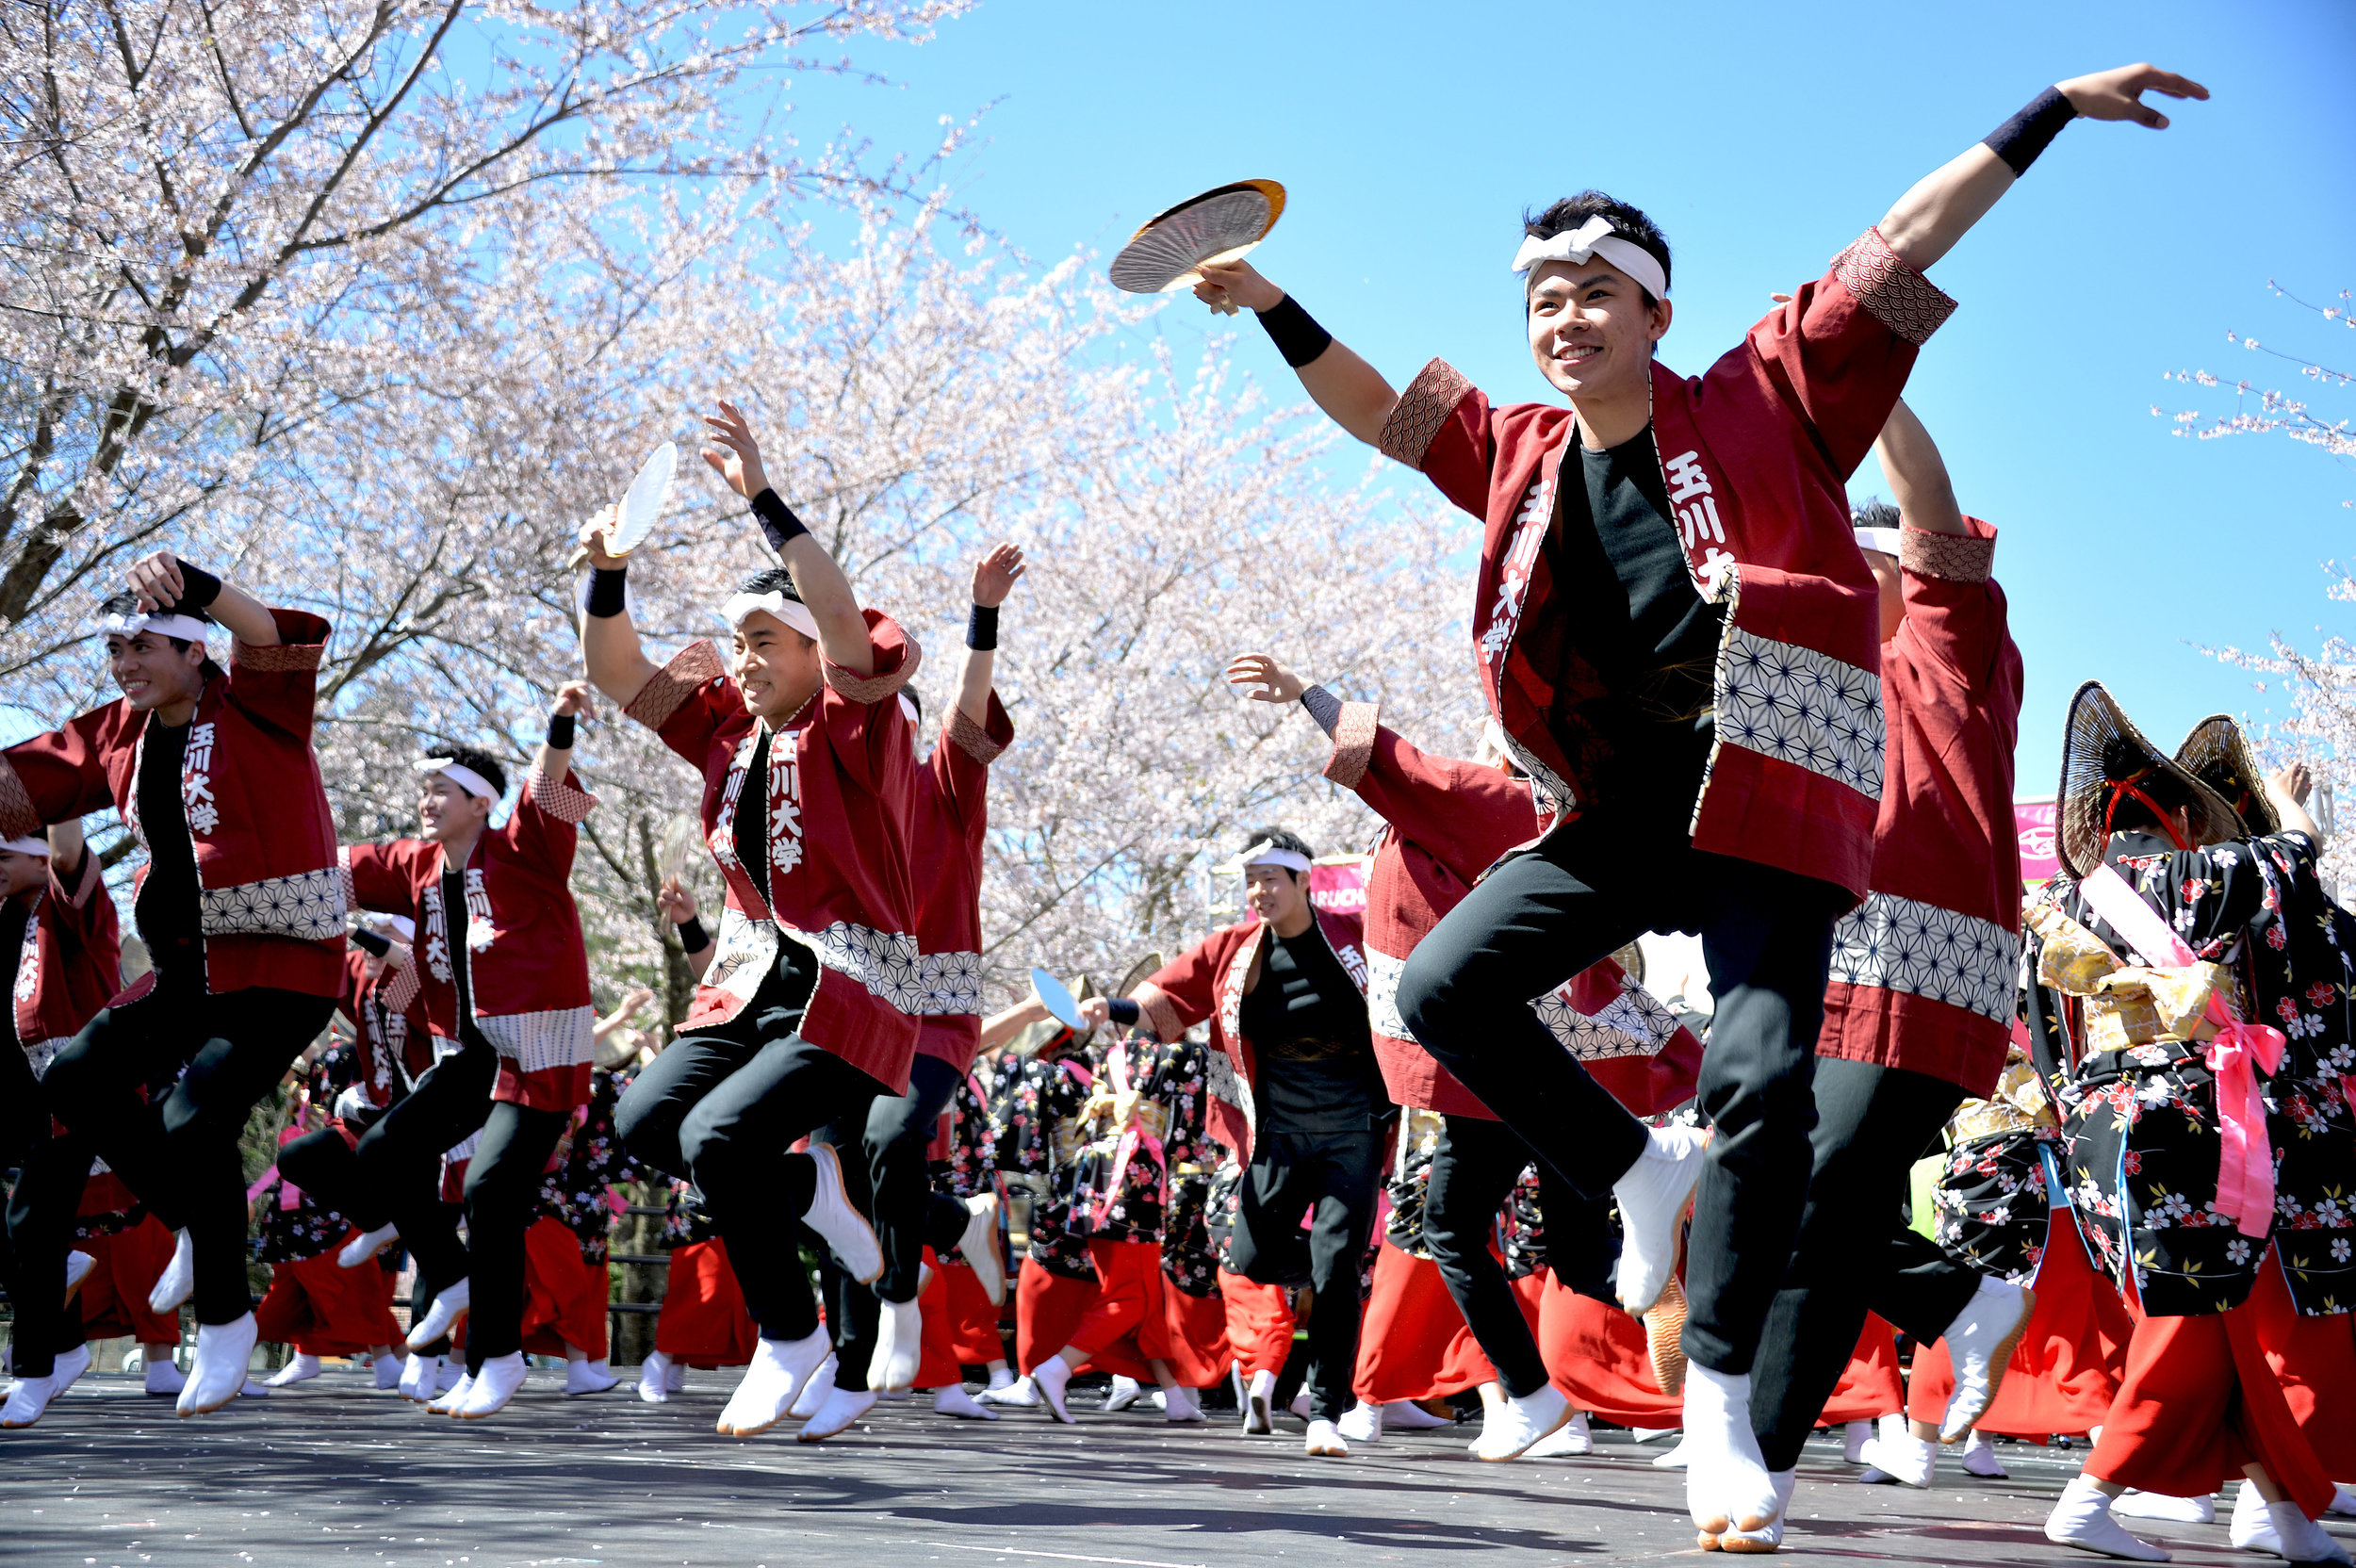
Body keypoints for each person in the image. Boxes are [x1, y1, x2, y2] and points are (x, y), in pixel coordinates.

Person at [1190, 61, 2206, 1540]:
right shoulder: (1521, 457)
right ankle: (1634, 1171)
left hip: (1772, 807)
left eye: (1596, 289)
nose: (1564, 318)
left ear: (1656, 308)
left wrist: (2043, 112)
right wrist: (1274, 304)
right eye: (1542, 297)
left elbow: (1901, 243)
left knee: (1762, 1086)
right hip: (1616, 812)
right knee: (1452, 985)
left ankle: (1724, 1407)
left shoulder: (1765, 396)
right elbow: (1382, 418)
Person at [1225, 654, 1704, 1458]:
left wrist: (1307, 693)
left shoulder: (1486, 799)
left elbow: (1394, 762)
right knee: (1584, 1258)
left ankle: (1534, 1396)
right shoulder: (1518, 810)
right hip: (1524, 1062)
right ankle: (1695, 1340)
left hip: (1494, 1067)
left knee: (1449, 1225)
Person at [584, 399, 924, 1440]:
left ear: (819, 648)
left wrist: (766, 501)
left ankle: (792, 1332)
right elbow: (618, 675)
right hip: (745, 983)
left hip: (848, 987)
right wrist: (606, 571)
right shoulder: (732, 736)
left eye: (763, 639)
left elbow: (838, 607)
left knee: (716, 1134)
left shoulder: (855, 718)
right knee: (646, 1122)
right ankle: (809, 1181)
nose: (741, 658)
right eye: (735, 641)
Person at [1723, 399, 2031, 1544]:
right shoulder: (1820, 683)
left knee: (1822, 1199)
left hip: (1930, 967)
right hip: (1831, 968)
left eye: (1865, 563)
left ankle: (1764, 1459)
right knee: (1806, 1203)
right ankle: (1954, 1298)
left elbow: (1930, 512)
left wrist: (1868, 382)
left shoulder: (1951, 646)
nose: (1843, 585)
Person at [0, 552, 344, 1417]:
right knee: (74, 1080)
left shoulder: (257, 704)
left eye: (144, 646)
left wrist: (201, 584)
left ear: (196, 651)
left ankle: (227, 1321)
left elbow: (269, 633)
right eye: (115, 650)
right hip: (188, 970)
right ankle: (197, 1221)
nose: (125, 665)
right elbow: (19, 782)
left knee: (193, 1113)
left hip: (280, 963)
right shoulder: (119, 730)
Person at [2027, 684, 2348, 1563]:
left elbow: (2048, 1039)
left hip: (2105, 1128)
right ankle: (2091, 1495)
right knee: (2196, 1328)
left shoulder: (2060, 906)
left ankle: (2287, 1517)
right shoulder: (2190, 877)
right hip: (2187, 1124)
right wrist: (2289, 808)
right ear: (2179, 823)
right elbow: (2289, 862)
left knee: (2215, 1323)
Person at [329, 687, 600, 1420]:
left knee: (490, 1193)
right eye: (424, 790)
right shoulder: (416, 865)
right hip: (465, 1054)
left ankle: (497, 1359)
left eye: (441, 790)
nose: (427, 801)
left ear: (481, 803)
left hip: (537, 1048)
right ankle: (450, 1277)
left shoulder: (528, 848)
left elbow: (553, 793)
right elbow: (330, 864)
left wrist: (560, 724)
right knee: (381, 1150)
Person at [1084, 828, 1384, 1458]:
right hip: (1274, 1134)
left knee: (1335, 1269)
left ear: (1303, 880)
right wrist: (1107, 1009)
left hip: (1351, 1129)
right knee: (1250, 1257)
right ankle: (1333, 1272)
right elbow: (1166, 1000)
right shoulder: (1234, 951)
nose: (1258, 891)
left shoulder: (1357, 939)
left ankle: (1326, 1411)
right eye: (1250, 880)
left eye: (1270, 878)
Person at [836, 542, 1022, 1398]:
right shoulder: (834, 807)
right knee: (829, 1169)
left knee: (888, 1135)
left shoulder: (947, 783)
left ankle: (902, 1305)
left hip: (935, 1013)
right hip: (848, 1013)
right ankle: (944, 1231)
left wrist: (982, 618)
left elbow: (967, 704)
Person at [0, 818, 121, 1427]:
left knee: (31, 1221)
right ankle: (67, 1342)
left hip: (77, 1089)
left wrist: (60, 794)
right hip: (23, 1094)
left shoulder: (69, 901)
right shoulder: (7, 919)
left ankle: (35, 1370)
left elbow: (69, 850)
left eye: (4, 853)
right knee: (33, 1233)